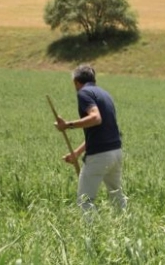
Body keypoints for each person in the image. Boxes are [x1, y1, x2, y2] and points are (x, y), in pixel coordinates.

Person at [53, 64, 127, 212]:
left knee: (84, 201)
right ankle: (128, 228)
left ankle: (92, 234)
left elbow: (95, 118)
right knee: (117, 196)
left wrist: (68, 125)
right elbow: (100, 131)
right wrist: (77, 153)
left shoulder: (84, 93)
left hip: (99, 156)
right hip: (115, 152)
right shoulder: (105, 95)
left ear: (76, 82)